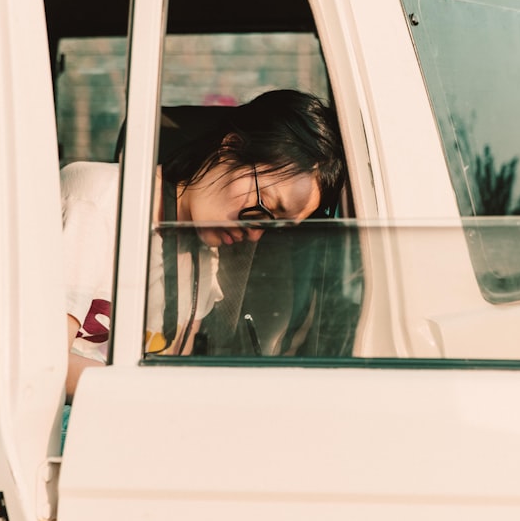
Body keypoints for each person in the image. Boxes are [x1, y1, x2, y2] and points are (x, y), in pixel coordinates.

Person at [61, 89, 345, 399]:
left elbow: (171, 368)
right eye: (264, 208)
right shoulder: (98, 198)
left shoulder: (203, 256)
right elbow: (43, 365)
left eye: (275, 226)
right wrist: (150, 395)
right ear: (231, 147)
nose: (255, 234)